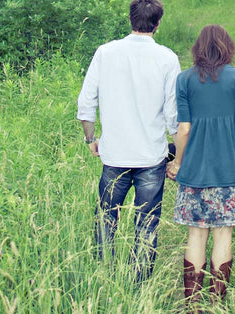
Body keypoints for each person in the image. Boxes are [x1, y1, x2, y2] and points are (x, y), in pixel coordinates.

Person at [76, 0, 180, 283]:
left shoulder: (105, 53)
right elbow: (174, 117)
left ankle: (103, 278)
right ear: (158, 24)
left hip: (114, 155)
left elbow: (86, 104)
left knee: (106, 220)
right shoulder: (167, 59)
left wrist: (90, 139)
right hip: (151, 158)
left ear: (130, 20)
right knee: (146, 225)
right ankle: (140, 285)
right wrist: (179, 157)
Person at [166, 25, 235, 311]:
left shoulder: (185, 80)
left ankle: (193, 306)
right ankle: (217, 303)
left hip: (193, 172)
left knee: (196, 234)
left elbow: (184, 128)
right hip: (229, 172)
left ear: (198, 49)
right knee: (224, 233)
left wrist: (178, 162)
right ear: (226, 47)